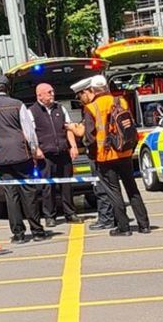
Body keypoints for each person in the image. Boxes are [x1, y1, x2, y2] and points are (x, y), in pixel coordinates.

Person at [68, 75, 150, 237]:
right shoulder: (121, 101)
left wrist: (85, 145)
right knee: (132, 188)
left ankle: (124, 227)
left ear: (92, 90)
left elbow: (90, 137)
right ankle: (144, 225)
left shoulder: (91, 107)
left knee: (114, 191)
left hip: (105, 156)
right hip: (124, 151)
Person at [0, 77, 48, 243]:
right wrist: (33, 150)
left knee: (11, 195)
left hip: (2, 157)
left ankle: (18, 234)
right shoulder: (18, 104)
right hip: (21, 155)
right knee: (29, 193)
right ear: (8, 88)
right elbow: (28, 131)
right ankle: (37, 230)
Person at [29, 83, 83, 227]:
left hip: (63, 153)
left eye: (52, 91)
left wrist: (73, 146)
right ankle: (49, 216)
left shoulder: (60, 108)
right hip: (46, 156)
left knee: (67, 184)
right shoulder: (32, 112)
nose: (52, 94)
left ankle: (70, 213)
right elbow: (31, 134)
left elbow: (68, 128)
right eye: (49, 92)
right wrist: (36, 150)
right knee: (48, 187)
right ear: (39, 95)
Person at [69, 78, 114, 231]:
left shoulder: (92, 108)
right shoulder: (114, 101)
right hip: (112, 152)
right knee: (111, 186)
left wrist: (75, 132)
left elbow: (86, 133)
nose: (80, 101)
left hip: (98, 154)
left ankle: (106, 218)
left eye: (80, 96)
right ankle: (113, 216)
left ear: (87, 92)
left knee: (100, 187)